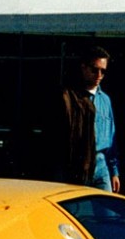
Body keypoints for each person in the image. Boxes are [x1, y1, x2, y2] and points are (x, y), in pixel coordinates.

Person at [52, 45, 121, 191]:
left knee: (106, 211)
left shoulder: (105, 100)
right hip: (77, 163)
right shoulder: (69, 97)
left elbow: (111, 137)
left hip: (101, 162)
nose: (99, 75)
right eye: (94, 70)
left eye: (103, 71)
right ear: (83, 68)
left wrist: (114, 171)